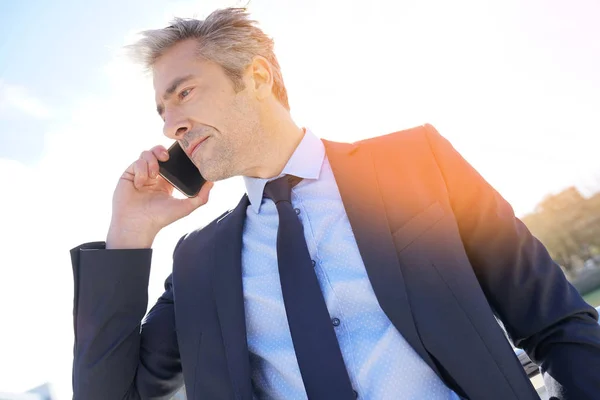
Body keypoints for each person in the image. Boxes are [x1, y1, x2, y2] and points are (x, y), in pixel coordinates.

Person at [70, 7, 600, 400]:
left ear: (256, 76)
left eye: (183, 93)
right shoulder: (196, 264)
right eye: (162, 109)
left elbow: (555, 323)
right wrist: (128, 236)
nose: (170, 124)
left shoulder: (416, 162)